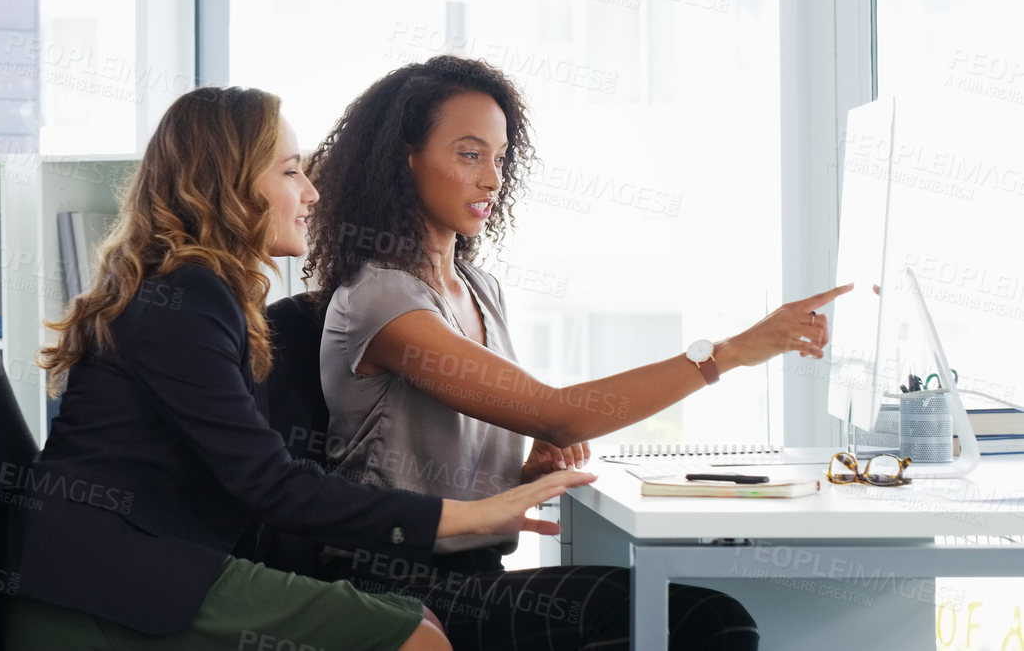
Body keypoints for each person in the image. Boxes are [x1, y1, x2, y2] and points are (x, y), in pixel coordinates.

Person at [3, 85, 595, 651]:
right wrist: (468, 516)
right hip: (107, 592)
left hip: (146, 570)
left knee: (414, 622)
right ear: (226, 186)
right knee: (413, 635)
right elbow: (269, 483)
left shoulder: (204, 295)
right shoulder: (185, 300)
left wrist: (493, 486)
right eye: (290, 172)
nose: (312, 193)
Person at [302, 55, 851, 650]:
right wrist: (728, 353)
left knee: (697, 619)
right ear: (404, 161)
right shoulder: (383, 299)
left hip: (474, 573)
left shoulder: (476, 288)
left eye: (500, 157)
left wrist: (512, 463)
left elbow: (493, 428)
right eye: (469, 154)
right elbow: (557, 412)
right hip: (389, 584)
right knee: (691, 621)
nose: (492, 179)